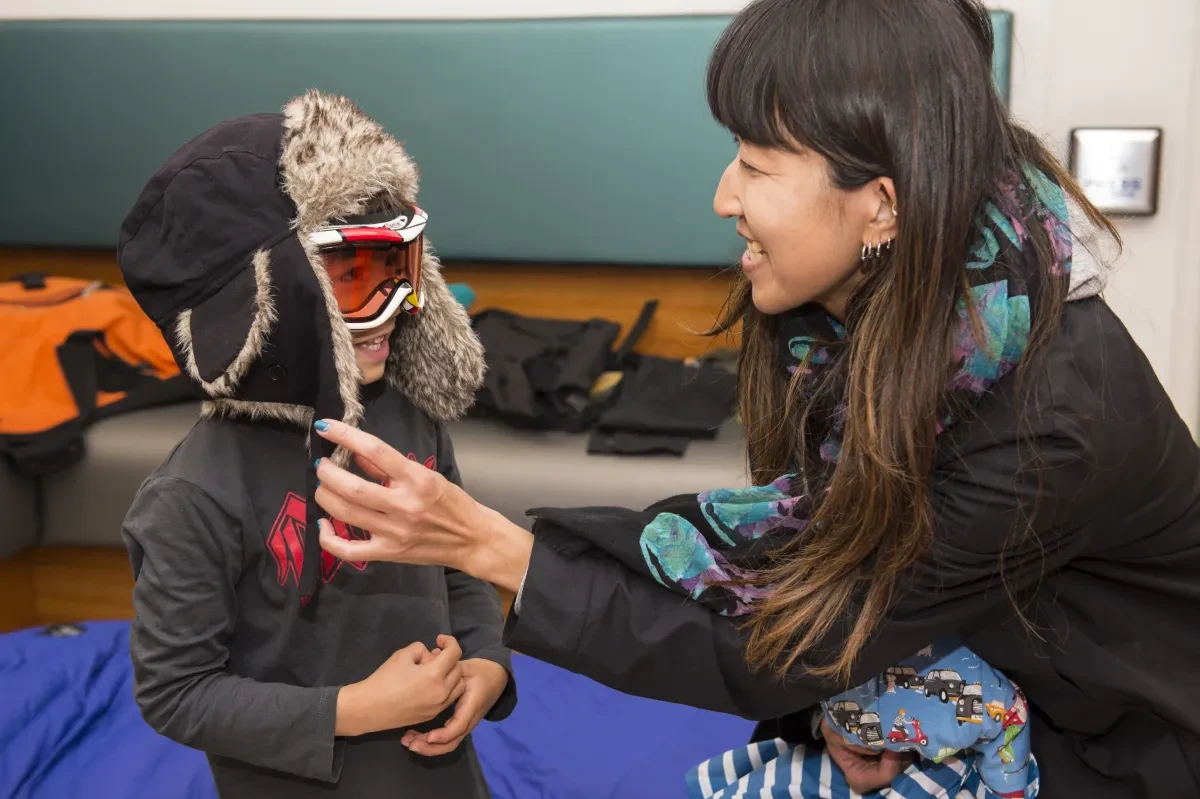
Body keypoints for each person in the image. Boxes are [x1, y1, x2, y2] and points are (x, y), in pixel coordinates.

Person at [307, 1, 1200, 797]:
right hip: (970, 657)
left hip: (1110, 735)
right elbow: (834, 575)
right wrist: (850, 702)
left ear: (881, 206)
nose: (723, 196)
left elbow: (798, 645)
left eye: (759, 166)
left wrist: (486, 545)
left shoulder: (1045, 423)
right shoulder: (861, 301)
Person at [117, 89, 515, 798]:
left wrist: (488, 662)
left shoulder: (411, 418)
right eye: (355, 281)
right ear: (266, 304)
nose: (395, 307)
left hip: (443, 774)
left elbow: (459, 562)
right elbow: (175, 694)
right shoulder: (191, 495)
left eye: (400, 270)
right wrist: (358, 709)